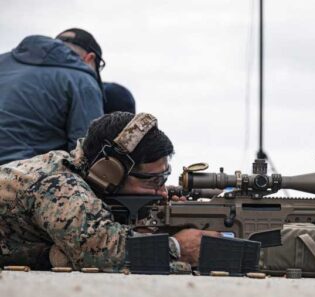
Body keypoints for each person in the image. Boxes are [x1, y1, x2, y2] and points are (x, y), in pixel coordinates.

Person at [0, 112, 215, 271]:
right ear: (110, 172)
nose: (162, 191)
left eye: (164, 178)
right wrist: (177, 247)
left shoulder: (80, 173)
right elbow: (101, 251)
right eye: (153, 180)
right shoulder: (58, 185)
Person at [0, 28, 104, 165]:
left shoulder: (3, 62)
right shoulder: (82, 79)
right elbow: (88, 153)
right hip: (19, 177)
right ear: (90, 58)